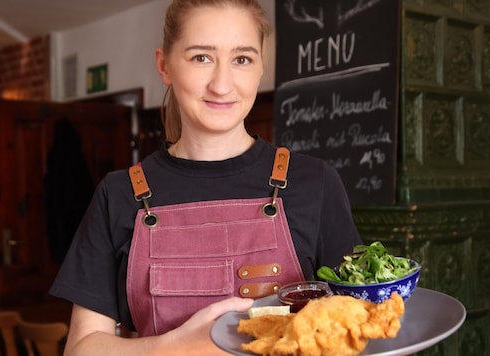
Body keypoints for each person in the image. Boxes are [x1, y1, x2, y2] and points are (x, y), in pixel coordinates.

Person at [49, 0, 362, 354]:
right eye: (202, 57)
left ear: (260, 67)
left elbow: (357, 326)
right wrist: (172, 346)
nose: (222, 84)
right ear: (164, 66)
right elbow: (82, 348)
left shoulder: (314, 183)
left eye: (242, 59)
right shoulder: (118, 194)